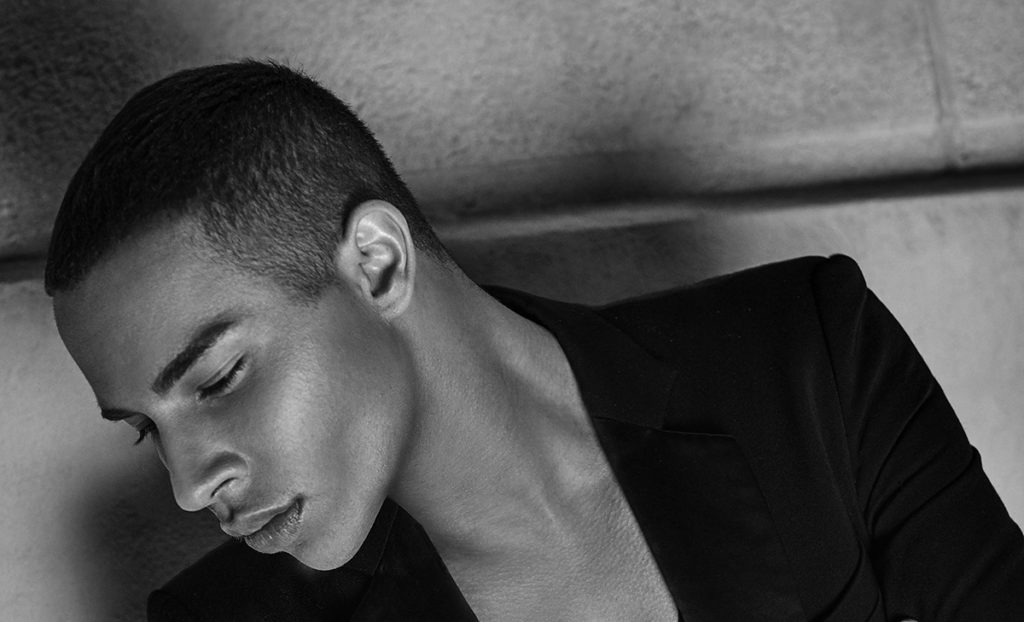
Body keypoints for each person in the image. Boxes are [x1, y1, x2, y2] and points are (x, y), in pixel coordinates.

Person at [46, 61, 1023, 621]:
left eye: (218, 378)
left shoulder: (806, 356)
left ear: (377, 264)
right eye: (145, 428)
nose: (188, 487)